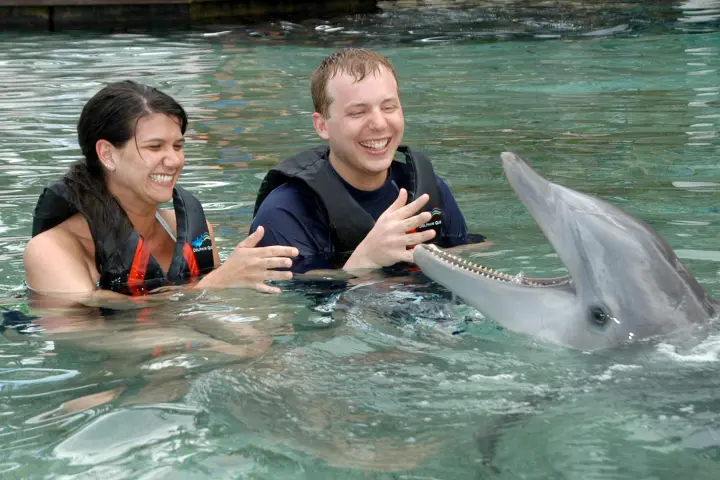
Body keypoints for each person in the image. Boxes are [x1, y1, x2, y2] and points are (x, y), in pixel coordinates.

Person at [24, 80, 299, 308]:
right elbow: (89, 337)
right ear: (107, 154)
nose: (174, 160)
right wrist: (216, 283)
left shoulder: (188, 230)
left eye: (177, 146)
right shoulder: (53, 250)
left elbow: (212, 311)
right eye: (155, 147)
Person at [251, 48, 484, 274]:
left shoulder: (427, 190)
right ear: (322, 125)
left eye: (389, 107)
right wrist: (366, 260)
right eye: (357, 112)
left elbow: (464, 259)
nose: (379, 124)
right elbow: (289, 304)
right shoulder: (284, 212)